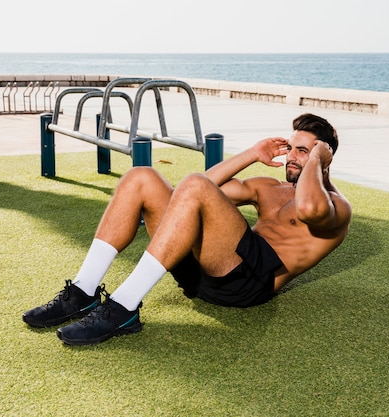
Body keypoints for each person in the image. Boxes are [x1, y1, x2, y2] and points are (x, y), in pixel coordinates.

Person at [23, 113, 352, 345]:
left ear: (324, 157)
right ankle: (82, 292)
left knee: (193, 185)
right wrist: (252, 154)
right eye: (291, 148)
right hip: (207, 272)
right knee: (142, 177)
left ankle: (123, 308)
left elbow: (309, 206)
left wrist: (318, 159)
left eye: (303, 151)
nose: (292, 157)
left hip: (247, 284)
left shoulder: (337, 208)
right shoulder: (270, 187)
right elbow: (196, 190)